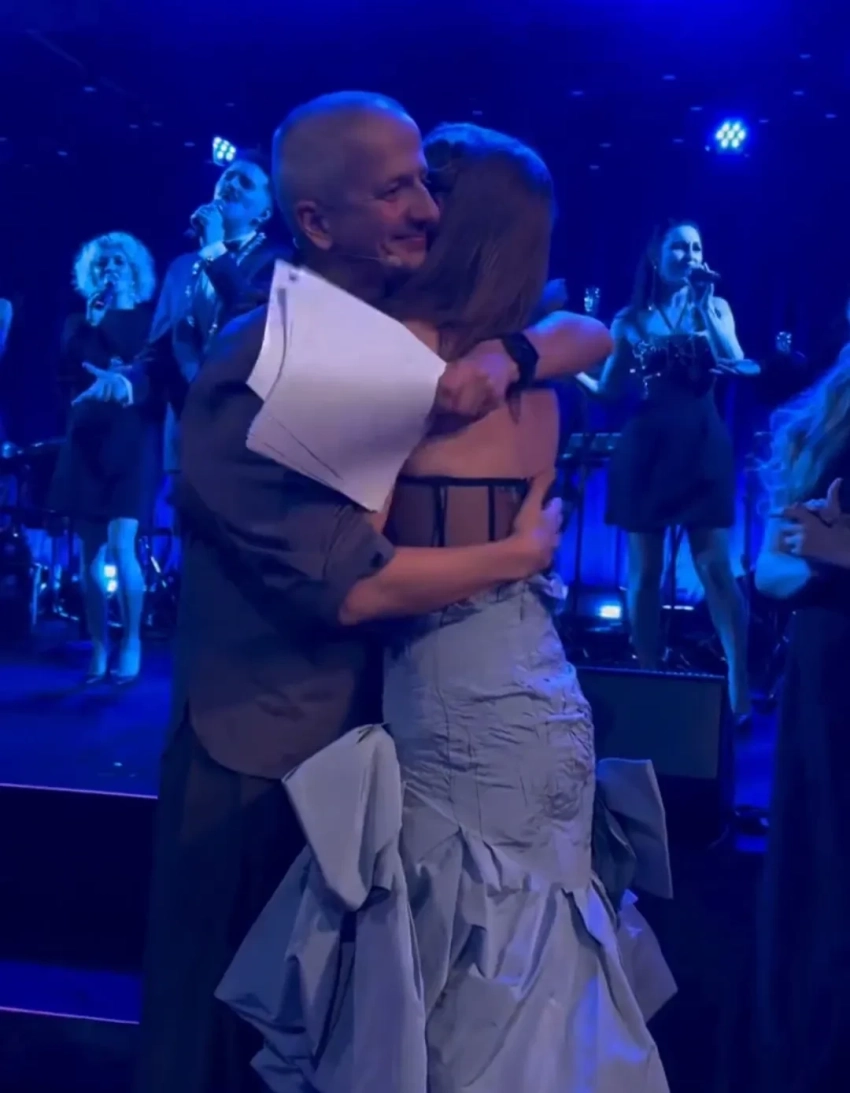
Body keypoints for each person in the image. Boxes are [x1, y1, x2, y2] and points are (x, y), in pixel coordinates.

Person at [134, 92, 613, 1093]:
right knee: (224, 1037)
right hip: (266, 744)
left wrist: (516, 350)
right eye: (397, 191)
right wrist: (518, 553)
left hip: (383, 741)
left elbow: (585, 330)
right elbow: (353, 591)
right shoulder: (272, 358)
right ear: (316, 221)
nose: (426, 211)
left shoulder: (393, 341)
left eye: (428, 187)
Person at [600, 220, 754, 719]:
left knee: (714, 567)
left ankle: (739, 690)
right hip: (647, 448)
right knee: (645, 572)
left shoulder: (716, 307)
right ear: (656, 254)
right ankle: (649, 677)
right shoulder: (629, 320)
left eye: (696, 248)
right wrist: (567, 368)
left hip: (703, 444)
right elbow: (609, 391)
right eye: (679, 247)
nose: (690, 256)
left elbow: (736, 360)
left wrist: (706, 305)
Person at [754, 347, 850, 1093]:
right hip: (828, 670)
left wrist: (837, 550)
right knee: (819, 872)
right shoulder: (828, 429)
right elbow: (770, 569)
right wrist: (820, 558)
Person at [79, 153, 288, 473]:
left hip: (245, 443)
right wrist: (126, 382)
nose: (232, 183)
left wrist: (214, 251)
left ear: (264, 213)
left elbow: (256, 324)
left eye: (245, 182)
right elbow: (159, 353)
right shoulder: (180, 269)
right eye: (227, 177)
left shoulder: (279, 261)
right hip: (184, 442)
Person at [48, 233, 158, 683]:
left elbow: (146, 371)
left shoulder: (150, 321)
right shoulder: (77, 322)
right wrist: (93, 325)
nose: (109, 269)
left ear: (133, 270)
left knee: (121, 545)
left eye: (118, 262)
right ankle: (98, 645)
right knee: (89, 552)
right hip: (86, 440)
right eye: (102, 263)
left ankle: (131, 641)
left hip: (130, 442)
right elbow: (69, 372)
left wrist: (109, 329)